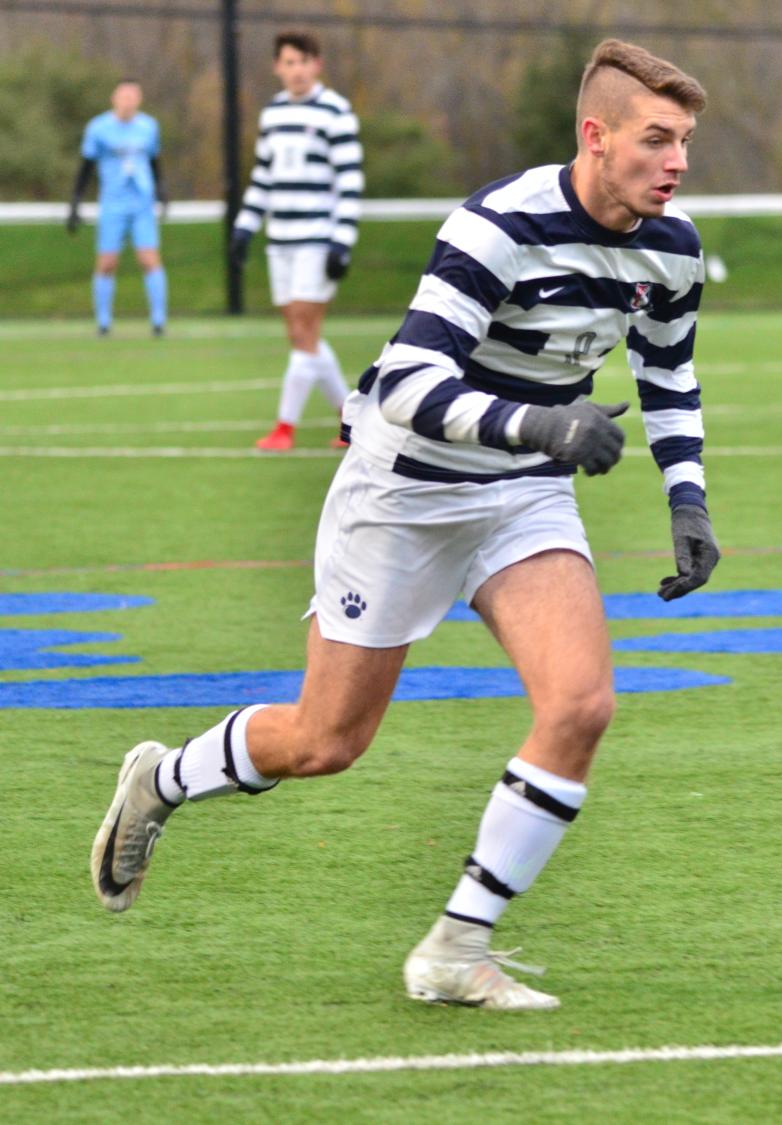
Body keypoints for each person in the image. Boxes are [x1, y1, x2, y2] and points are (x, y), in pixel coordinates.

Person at [91, 39, 720, 1013]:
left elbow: (669, 374)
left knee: (582, 705)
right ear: (595, 138)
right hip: (404, 490)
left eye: (683, 141)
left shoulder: (671, 247)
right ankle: (162, 781)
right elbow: (414, 385)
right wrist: (541, 423)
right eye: (656, 139)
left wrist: (687, 497)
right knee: (325, 740)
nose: (676, 161)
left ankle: (456, 949)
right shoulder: (498, 225)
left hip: (521, 493)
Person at [230, 30, 363, 452]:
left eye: (303, 61)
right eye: (288, 62)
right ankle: (352, 419)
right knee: (300, 334)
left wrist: (341, 241)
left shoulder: (336, 112)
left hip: (316, 240)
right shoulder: (272, 114)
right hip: (280, 241)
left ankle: (284, 428)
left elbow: (350, 182)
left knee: (305, 326)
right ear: (278, 67)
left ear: (316, 65)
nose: (296, 70)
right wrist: (245, 225)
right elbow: (263, 176)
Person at [68, 79, 169, 337]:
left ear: (139, 99)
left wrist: (162, 191)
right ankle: (103, 322)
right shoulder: (98, 128)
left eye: (133, 96)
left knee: (149, 258)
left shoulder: (149, 127)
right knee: (107, 263)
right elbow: (86, 166)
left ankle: (158, 321)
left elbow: (155, 161)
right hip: (113, 203)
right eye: (123, 96)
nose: (128, 101)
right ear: (114, 98)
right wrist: (75, 201)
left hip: (142, 203)